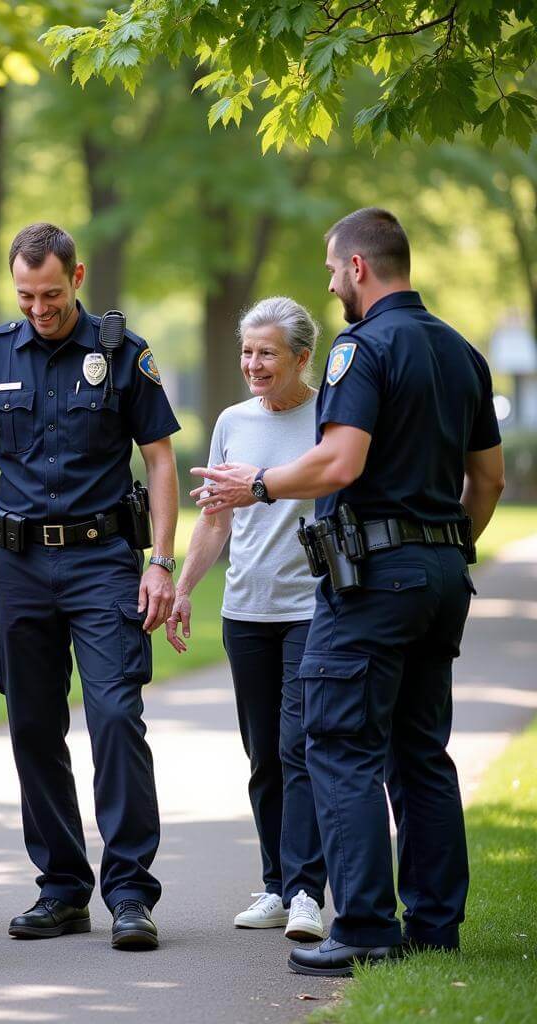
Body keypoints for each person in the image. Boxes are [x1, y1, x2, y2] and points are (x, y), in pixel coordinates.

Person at [196, 208, 505, 976]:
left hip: (371, 581)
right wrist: (444, 547)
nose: (332, 282)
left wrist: (258, 484)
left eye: (334, 270)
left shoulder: (360, 349)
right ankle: (434, 928)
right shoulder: (463, 353)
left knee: (337, 747)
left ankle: (364, 927)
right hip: (441, 575)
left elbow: (339, 463)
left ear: (359, 268)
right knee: (421, 754)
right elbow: (489, 479)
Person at [0, 222, 180, 951]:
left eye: (50, 293)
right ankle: (63, 888)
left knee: (114, 716)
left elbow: (160, 461)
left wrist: (161, 560)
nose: (39, 307)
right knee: (35, 726)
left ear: (76, 277)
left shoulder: (122, 355)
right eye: (25, 294)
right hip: (20, 567)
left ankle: (130, 892)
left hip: (103, 561)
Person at [167, 297, 327, 942]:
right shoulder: (232, 420)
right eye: (247, 352)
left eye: (267, 353)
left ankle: (307, 891)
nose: (253, 364)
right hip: (247, 608)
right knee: (263, 754)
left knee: (298, 747)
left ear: (301, 358)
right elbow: (216, 518)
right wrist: (183, 588)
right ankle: (274, 886)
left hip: (313, 607)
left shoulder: (331, 418)